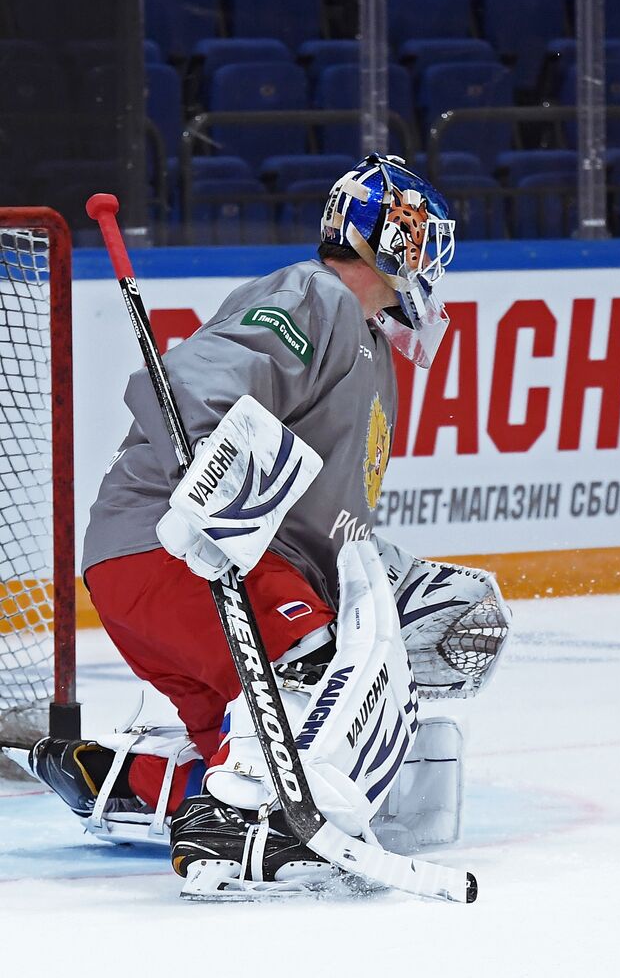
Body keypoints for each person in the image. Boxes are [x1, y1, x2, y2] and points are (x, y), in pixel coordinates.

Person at [27, 154, 511, 897]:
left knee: (259, 741)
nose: (430, 262)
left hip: (194, 575)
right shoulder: (314, 296)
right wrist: (214, 491)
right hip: (174, 551)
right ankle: (222, 831)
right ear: (385, 233)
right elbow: (195, 389)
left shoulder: (369, 343)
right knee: (318, 673)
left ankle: (124, 778)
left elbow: (318, 513)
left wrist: (394, 581)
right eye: (421, 238)